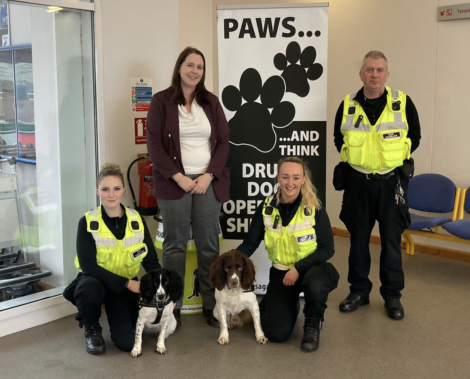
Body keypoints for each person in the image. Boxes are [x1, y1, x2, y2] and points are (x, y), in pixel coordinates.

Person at [146, 46, 230, 329]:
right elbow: (154, 146)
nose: (195, 71)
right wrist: (178, 176)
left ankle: (211, 304)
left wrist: (209, 175)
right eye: (190, 65)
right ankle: (173, 307)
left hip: (207, 182)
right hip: (175, 184)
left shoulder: (211, 102)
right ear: (179, 67)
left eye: (200, 67)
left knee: (208, 246)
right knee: (175, 248)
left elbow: (222, 142)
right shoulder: (160, 101)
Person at [334, 51, 421, 320]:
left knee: (391, 242)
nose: (374, 75)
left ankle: (392, 296)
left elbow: (414, 137)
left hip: (391, 183)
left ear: (387, 75)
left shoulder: (403, 103)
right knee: (358, 241)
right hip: (358, 185)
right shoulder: (348, 104)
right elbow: (339, 139)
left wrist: (389, 163)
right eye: (369, 70)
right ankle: (358, 291)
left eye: (380, 70)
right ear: (361, 74)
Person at [237, 157, 339, 352]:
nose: (290, 183)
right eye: (285, 177)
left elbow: (328, 248)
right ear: (278, 178)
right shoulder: (266, 208)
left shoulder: (314, 208)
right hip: (282, 274)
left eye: (295, 177)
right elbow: (250, 243)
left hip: (312, 270)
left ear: (303, 180)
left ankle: (312, 325)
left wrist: (298, 269)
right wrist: (228, 261)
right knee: (275, 334)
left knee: (315, 284)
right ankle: (280, 304)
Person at [63, 163, 161, 355]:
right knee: (88, 288)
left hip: (122, 289)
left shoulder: (137, 220)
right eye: (105, 189)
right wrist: (128, 283)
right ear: (97, 191)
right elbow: (89, 267)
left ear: (123, 190)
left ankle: (120, 316)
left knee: (126, 343)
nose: (111, 195)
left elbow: (150, 261)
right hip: (95, 282)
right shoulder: (88, 222)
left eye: (116, 189)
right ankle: (92, 328)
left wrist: (163, 291)